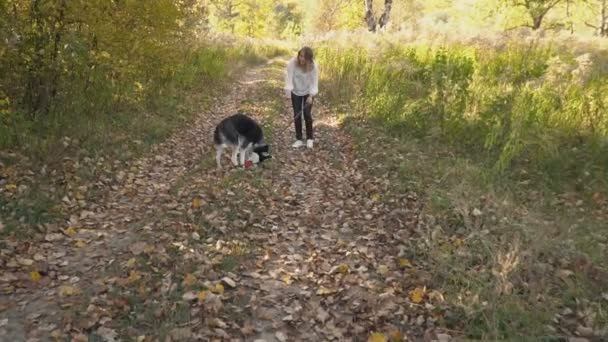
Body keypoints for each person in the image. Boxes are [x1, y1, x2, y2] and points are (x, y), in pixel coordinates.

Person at [284, 46, 319, 149]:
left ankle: (309, 138)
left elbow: (314, 83)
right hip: (296, 91)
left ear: (309, 58)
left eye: (304, 57)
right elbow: (288, 78)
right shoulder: (292, 64)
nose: (301, 59)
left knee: (307, 114)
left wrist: (311, 96)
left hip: (308, 92)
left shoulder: (313, 67)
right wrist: (288, 92)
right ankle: (299, 139)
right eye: (300, 56)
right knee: (297, 115)